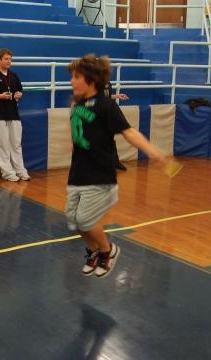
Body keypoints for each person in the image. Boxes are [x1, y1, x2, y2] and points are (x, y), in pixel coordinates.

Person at [67, 54, 173, 278]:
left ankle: (108, 250)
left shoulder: (107, 106)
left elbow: (129, 132)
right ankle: (95, 251)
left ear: (91, 80)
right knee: (75, 221)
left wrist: (154, 152)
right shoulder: (78, 102)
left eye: (76, 77)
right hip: (78, 172)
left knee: (86, 219)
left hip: (100, 176)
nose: (71, 81)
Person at [0, 48, 30, 182]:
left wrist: (19, 95)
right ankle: (7, 172)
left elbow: (20, 91)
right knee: (3, 145)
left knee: (16, 144)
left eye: (10, 59)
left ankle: (20, 170)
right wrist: (1, 96)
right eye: (6, 59)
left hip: (13, 114)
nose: (9, 61)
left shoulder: (14, 76)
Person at [103, 78, 130, 171]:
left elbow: (107, 96)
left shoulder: (108, 83)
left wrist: (117, 96)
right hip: (98, 115)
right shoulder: (94, 83)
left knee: (110, 139)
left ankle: (115, 162)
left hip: (107, 114)